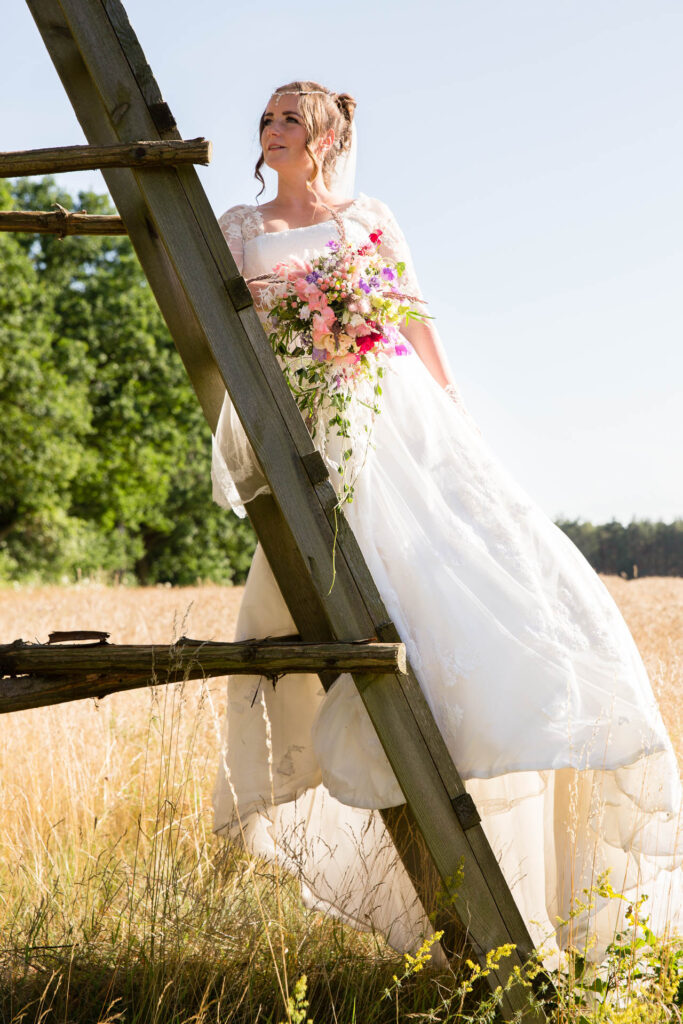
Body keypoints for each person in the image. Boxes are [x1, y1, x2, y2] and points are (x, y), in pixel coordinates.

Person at [210, 81, 683, 965]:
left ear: (327, 136)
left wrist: (450, 406)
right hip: (305, 412)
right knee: (341, 568)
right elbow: (238, 334)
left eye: (288, 118)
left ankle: (486, 699)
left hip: (385, 405)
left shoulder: (368, 219)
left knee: (455, 552)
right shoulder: (242, 227)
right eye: (266, 118)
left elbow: (412, 315)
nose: (269, 129)